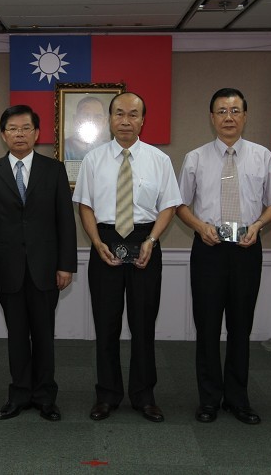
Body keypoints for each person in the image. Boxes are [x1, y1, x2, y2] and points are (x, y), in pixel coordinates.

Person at [176, 88, 271, 425]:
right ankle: (209, 398)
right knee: (207, 328)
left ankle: (238, 398)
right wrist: (199, 227)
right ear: (211, 118)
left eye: (235, 110)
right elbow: (179, 204)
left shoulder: (261, 156)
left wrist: (258, 226)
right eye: (221, 111)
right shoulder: (195, 157)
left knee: (241, 327)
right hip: (208, 250)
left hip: (246, 249)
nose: (228, 117)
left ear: (245, 116)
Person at [72, 92, 181, 423]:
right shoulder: (93, 160)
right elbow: (85, 206)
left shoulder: (159, 160)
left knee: (143, 325)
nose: (125, 120)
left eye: (133, 115)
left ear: (143, 120)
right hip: (104, 242)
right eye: (119, 114)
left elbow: (169, 206)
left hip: (145, 243)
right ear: (109, 119)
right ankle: (107, 395)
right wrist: (95, 241)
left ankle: (144, 395)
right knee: (105, 326)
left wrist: (151, 240)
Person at [0, 104, 77, 422]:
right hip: (7, 269)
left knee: (45, 334)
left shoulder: (54, 170)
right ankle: (19, 394)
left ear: (37, 133)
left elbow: (65, 221)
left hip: (47, 267)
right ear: (3, 135)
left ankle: (46, 396)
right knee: (16, 335)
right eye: (12, 129)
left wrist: (66, 264)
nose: (19, 134)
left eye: (26, 128)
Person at [64, 96, 110, 161]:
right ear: (75, 119)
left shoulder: (110, 148)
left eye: (98, 117)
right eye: (85, 115)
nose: (91, 120)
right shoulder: (64, 147)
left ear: (105, 121)